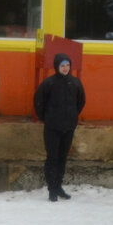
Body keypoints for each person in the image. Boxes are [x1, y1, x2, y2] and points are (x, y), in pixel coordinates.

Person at [34, 53, 86, 201]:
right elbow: (39, 101)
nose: (65, 68)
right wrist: (46, 118)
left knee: (62, 157)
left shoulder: (75, 82)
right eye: (62, 65)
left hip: (68, 127)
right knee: (52, 157)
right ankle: (51, 189)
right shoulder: (49, 83)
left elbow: (81, 101)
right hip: (52, 127)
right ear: (57, 66)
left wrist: (72, 116)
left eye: (67, 65)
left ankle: (59, 186)